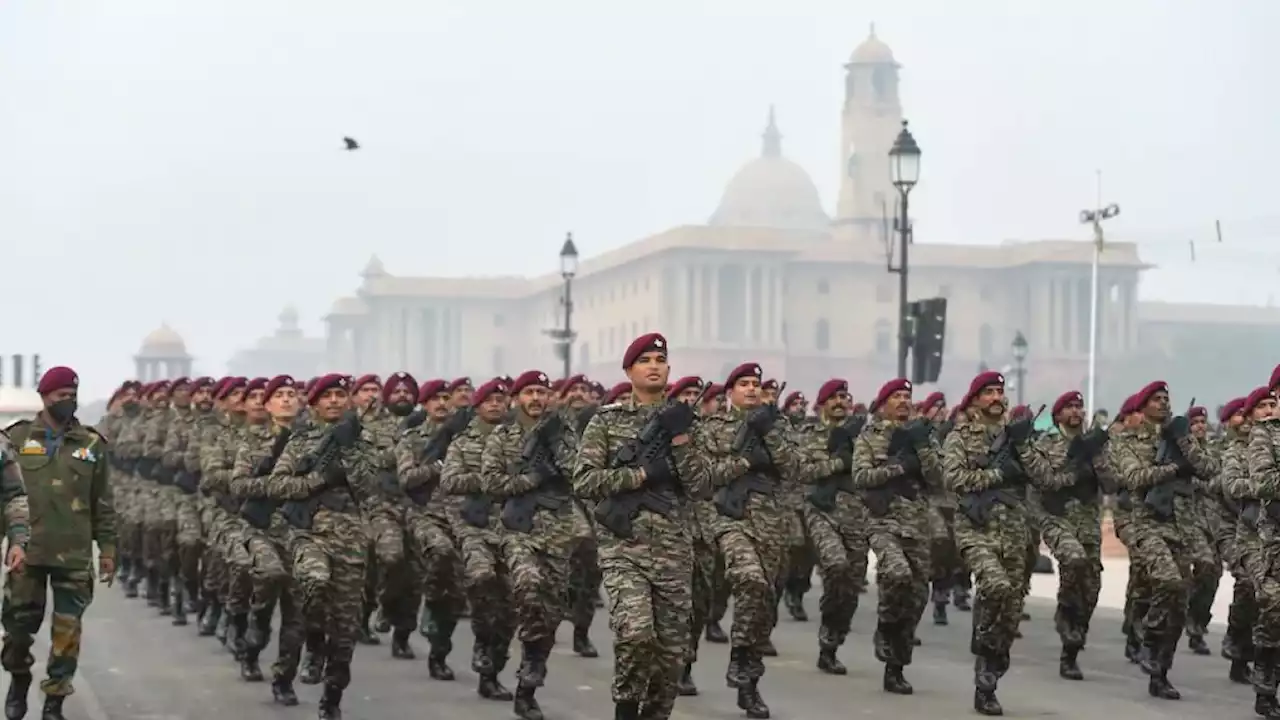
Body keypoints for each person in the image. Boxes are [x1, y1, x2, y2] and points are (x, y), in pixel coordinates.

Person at [573, 332, 711, 720]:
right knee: (635, 635)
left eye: (660, 360)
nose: (654, 366)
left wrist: (681, 438)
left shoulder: (688, 422)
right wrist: (639, 475)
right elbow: (584, 482)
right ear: (629, 370)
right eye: (645, 360)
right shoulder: (606, 422)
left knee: (670, 656)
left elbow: (700, 485)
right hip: (624, 548)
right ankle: (625, 709)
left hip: (673, 551)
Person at [2, 366, 106, 720]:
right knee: (17, 630)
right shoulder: (15, 440)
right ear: (45, 397)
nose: (69, 401)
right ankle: (18, 680)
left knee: (67, 636)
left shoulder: (92, 443)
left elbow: (102, 502)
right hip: (28, 554)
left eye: (73, 396)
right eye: (62, 396)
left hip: (74, 555)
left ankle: (54, 703)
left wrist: (108, 548)